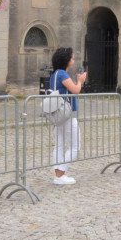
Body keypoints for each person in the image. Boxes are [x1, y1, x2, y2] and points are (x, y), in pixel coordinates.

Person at [48, 47, 86, 185]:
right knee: (75, 145)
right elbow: (76, 90)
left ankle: (58, 174)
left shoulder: (55, 75)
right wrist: (80, 81)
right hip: (67, 114)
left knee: (59, 144)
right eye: (71, 58)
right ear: (66, 60)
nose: (73, 60)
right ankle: (60, 174)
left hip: (59, 113)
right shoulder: (63, 74)